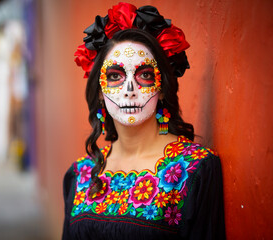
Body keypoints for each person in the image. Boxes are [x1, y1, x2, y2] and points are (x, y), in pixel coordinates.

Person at [63, 3, 225, 239]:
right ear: (99, 90)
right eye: (115, 76)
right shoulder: (80, 174)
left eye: (145, 75)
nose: (130, 89)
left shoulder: (194, 169)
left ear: (161, 88)